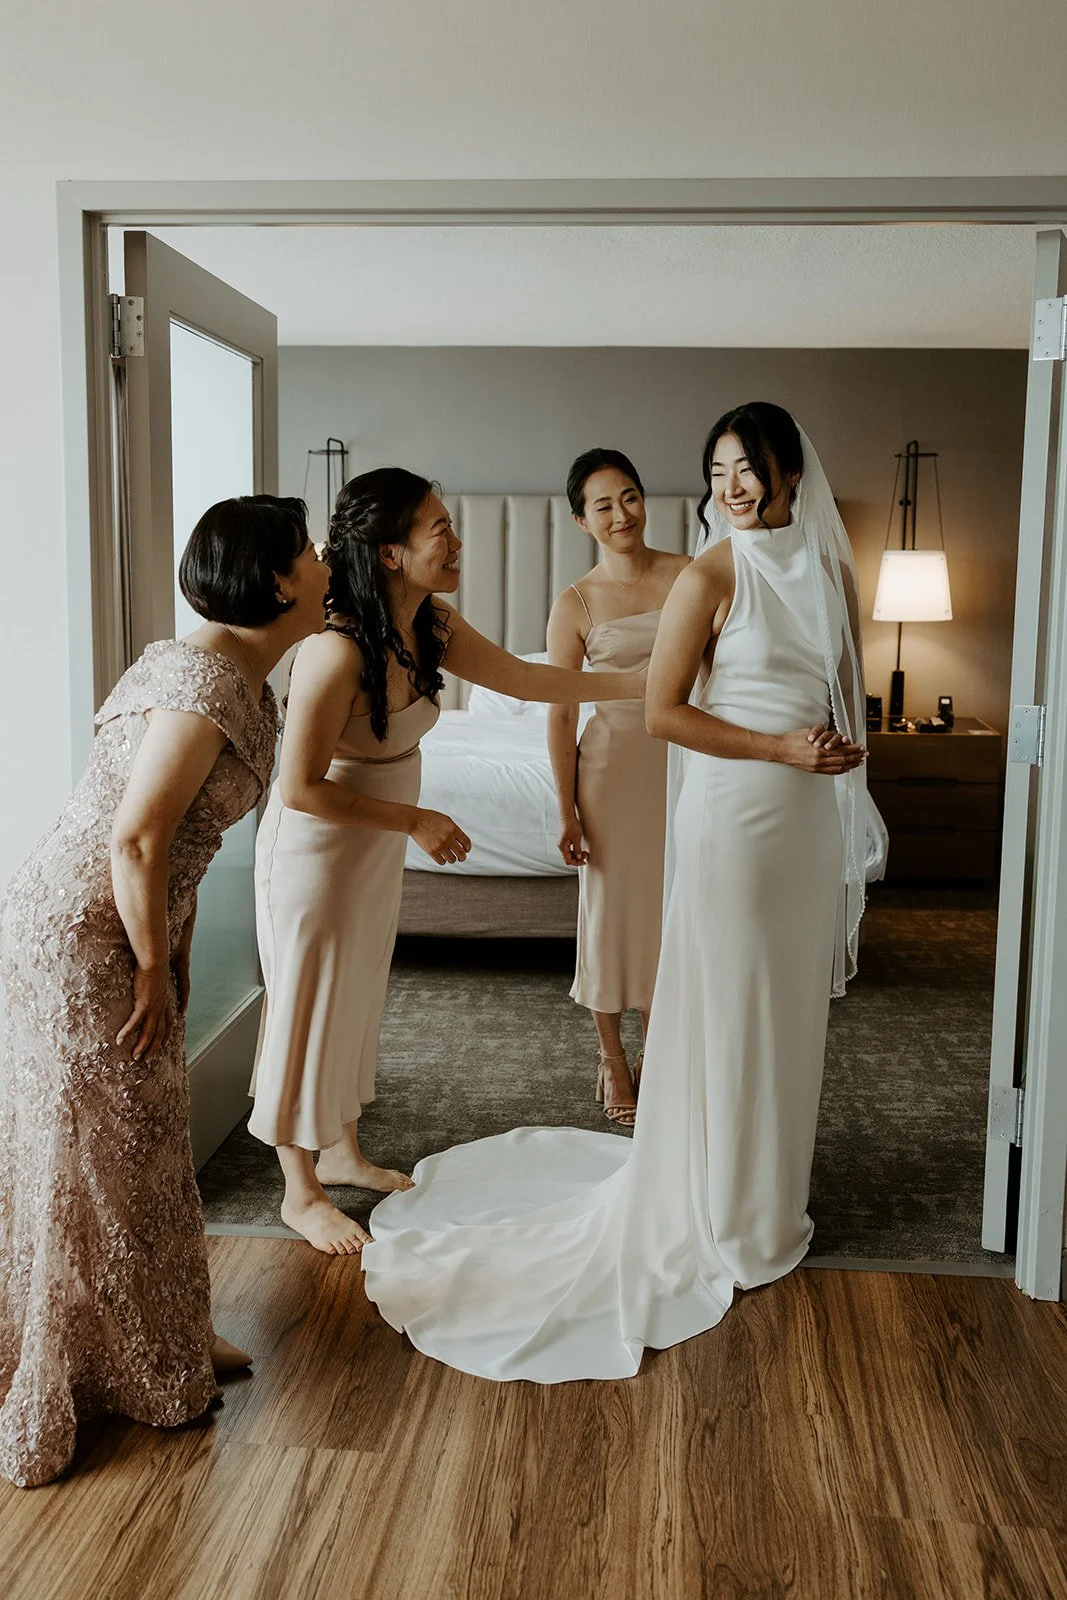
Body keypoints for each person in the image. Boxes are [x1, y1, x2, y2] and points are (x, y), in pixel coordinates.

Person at [361, 404, 867, 1382]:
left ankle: (769, 1195)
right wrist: (777, 748)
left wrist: (832, 753)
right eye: (715, 468)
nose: (731, 484)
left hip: (802, 815)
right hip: (736, 806)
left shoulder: (826, 572)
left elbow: (832, 689)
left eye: (746, 466)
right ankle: (717, 1202)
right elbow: (666, 711)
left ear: (787, 473)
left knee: (787, 1006)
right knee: (730, 1000)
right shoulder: (710, 573)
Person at [0, 495, 329, 1486]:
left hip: (124, 913)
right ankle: (89, 1356)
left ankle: (166, 1337)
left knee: (139, 1134)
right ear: (278, 580)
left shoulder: (228, 669)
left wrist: (173, 943)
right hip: (83, 928)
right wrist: (150, 960)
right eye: (311, 553)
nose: (324, 565)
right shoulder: (200, 685)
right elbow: (137, 837)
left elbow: (168, 845)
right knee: (105, 1140)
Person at [247, 467, 647, 1257]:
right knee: (305, 1002)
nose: (456, 542)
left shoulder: (430, 624)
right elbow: (297, 788)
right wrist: (416, 819)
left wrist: (642, 684)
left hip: (370, 844)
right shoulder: (334, 653)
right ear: (391, 553)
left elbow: (528, 678)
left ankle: (343, 1150)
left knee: (357, 993)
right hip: (318, 849)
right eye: (439, 529)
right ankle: (299, 1192)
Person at [547, 448, 689, 1126]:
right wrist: (564, 808)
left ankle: (663, 1050)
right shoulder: (574, 601)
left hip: (684, 764)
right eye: (602, 504)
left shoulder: (689, 574)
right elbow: (561, 709)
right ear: (581, 520)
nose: (620, 513)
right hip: (608, 772)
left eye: (629, 496)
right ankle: (611, 1057)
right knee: (608, 914)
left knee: (672, 912)